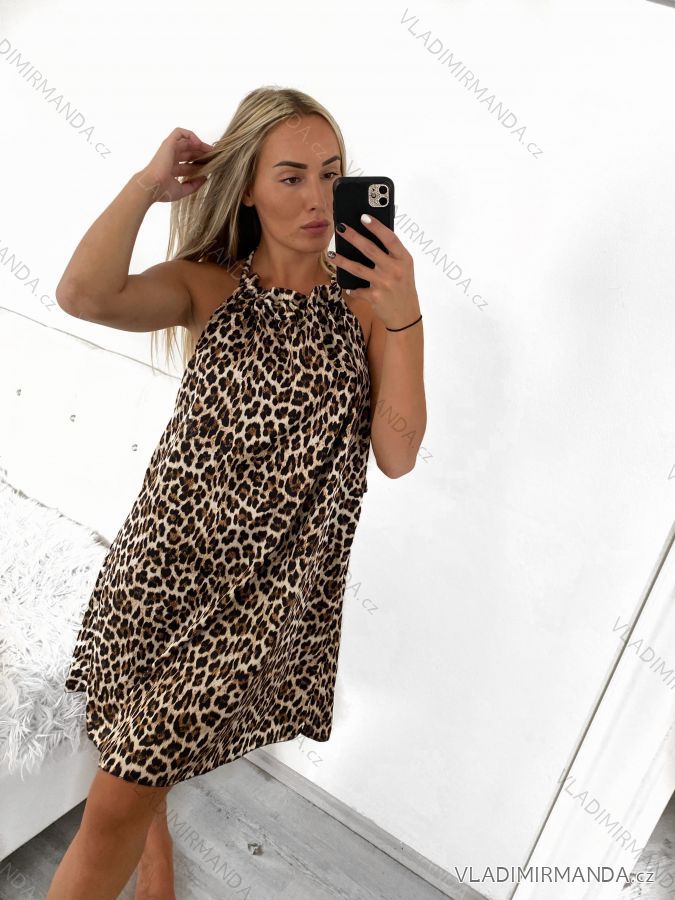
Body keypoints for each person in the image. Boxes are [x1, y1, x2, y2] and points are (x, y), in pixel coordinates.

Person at [47, 85, 426, 899]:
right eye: (291, 177)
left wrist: (405, 317)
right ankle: (156, 856)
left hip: (257, 604)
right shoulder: (206, 286)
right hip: (159, 571)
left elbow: (396, 454)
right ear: (247, 188)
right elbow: (82, 295)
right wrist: (147, 186)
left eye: (332, 175)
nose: (318, 198)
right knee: (129, 742)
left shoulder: (366, 306)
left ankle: (144, 843)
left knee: (116, 795)